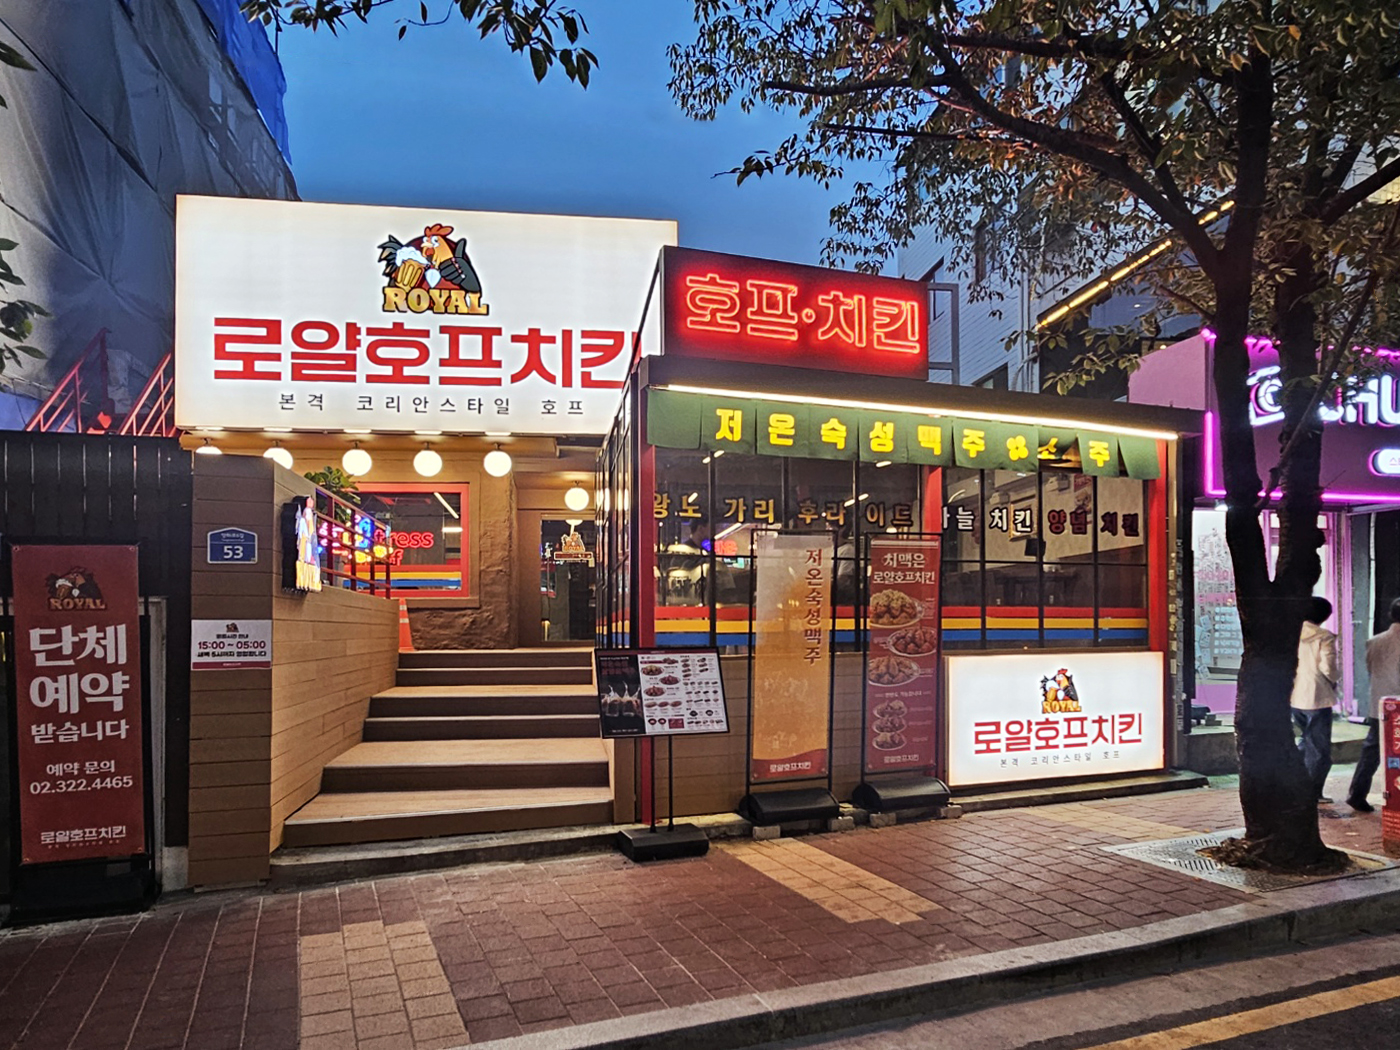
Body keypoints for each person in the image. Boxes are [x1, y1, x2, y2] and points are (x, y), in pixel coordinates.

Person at [1351, 597, 1400, 812]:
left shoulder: (1374, 641)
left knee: (1371, 752)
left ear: (1390, 615)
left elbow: (1372, 670)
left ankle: (1357, 793)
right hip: (1398, 703)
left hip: (1380, 704)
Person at [1290, 596, 1338, 803]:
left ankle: (1297, 785)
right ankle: (1312, 792)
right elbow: (1328, 667)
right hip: (1318, 697)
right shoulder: (1323, 637)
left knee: (1305, 740)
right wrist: (1335, 680)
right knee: (1319, 748)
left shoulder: (1291, 634)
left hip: (1295, 696)